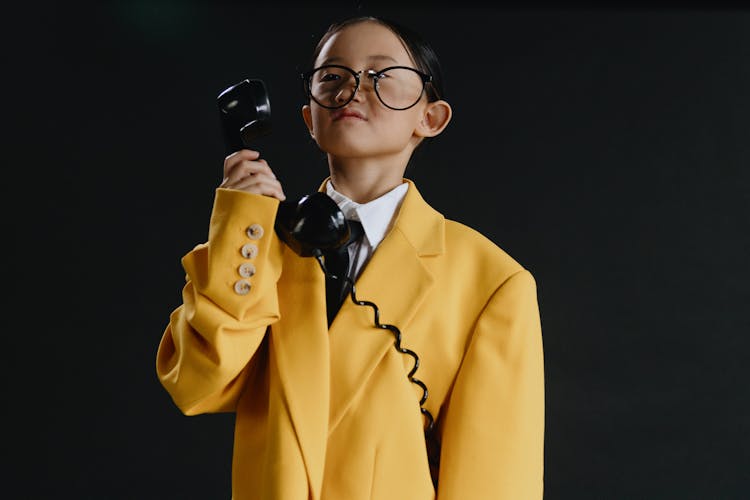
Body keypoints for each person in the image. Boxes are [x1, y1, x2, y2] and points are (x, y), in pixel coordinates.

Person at [156, 15, 544, 500]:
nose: (354, 90)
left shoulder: (491, 281)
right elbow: (194, 384)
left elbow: (496, 481)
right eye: (332, 77)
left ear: (430, 117)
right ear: (308, 118)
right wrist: (244, 222)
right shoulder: (256, 247)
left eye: (383, 77)